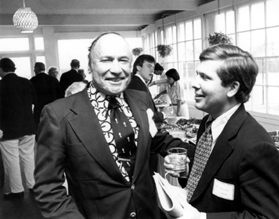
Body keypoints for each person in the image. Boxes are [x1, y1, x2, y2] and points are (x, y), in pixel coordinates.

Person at [33, 32, 192, 219]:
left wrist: (202, 156)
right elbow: (48, 188)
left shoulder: (141, 101)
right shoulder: (59, 114)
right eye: (106, 60)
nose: (116, 69)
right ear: (90, 66)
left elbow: (156, 139)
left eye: (123, 60)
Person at [164, 44, 279, 219]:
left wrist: (201, 218)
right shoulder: (208, 124)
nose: (194, 83)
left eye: (205, 78)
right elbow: (211, 178)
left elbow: (267, 217)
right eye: (197, 74)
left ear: (232, 88)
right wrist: (186, 173)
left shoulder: (257, 146)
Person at [0, 58, 37, 199]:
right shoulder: (26, 82)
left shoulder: (1, 85)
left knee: (12, 160)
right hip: (28, 126)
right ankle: (33, 185)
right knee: (28, 157)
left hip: (8, 130)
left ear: (2, 69)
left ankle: (17, 190)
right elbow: (34, 102)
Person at [30, 62, 63, 129]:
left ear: (36, 69)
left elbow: (31, 97)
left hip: (39, 110)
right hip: (53, 109)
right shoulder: (53, 80)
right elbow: (60, 95)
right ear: (44, 69)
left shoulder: (32, 81)